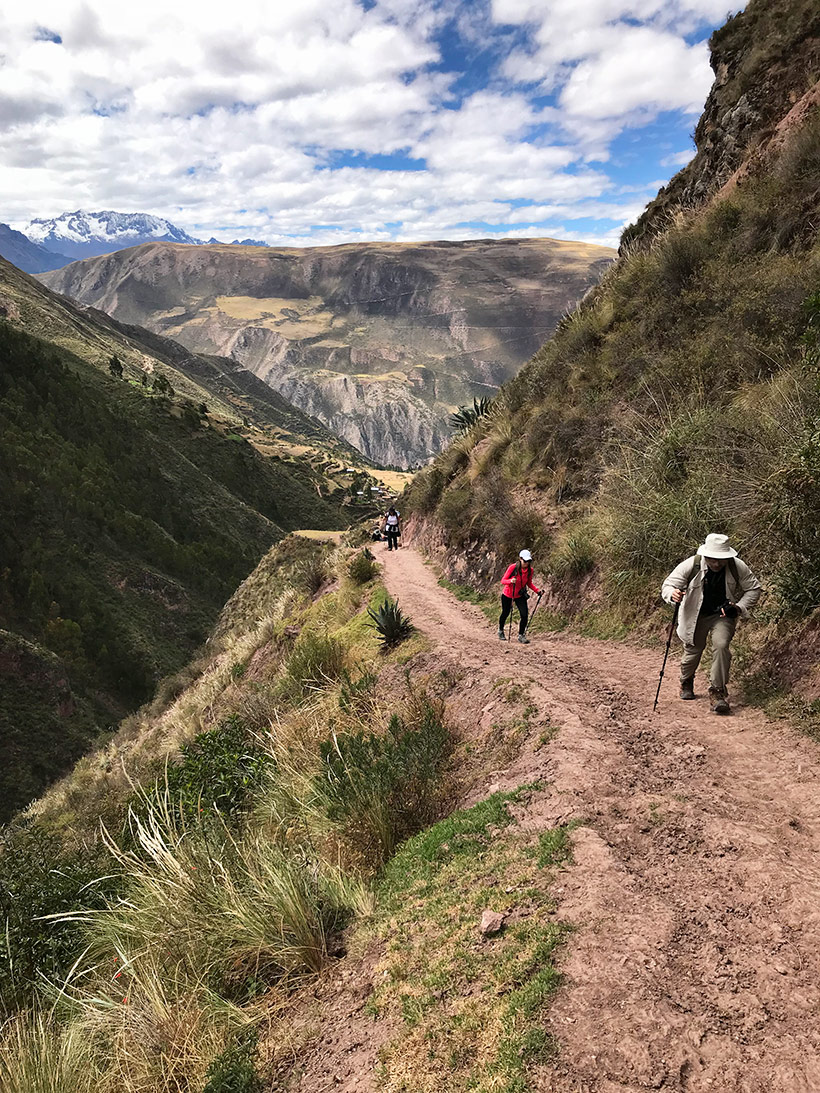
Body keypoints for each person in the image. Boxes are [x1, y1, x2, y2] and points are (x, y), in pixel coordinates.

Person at [661, 533, 762, 715]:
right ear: (705, 555)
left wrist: (738, 608)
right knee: (693, 650)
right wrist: (672, 594)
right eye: (713, 559)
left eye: (721, 560)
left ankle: (717, 692)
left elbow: (753, 588)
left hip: (722, 615)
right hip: (695, 615)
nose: (716, 564)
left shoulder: (736, 566)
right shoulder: (691, 565)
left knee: (722, 645)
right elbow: (668, 585)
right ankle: (686, 680)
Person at [499, 549, 542, 644]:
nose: (527, 563)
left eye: (529, 561)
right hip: (508, 594)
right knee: (505, 613)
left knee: (524, 614)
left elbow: (529, 583)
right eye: (525, 561)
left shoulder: (530, 570)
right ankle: (501, 630)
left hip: (520, 595)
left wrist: (537, 591)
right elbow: (503, 580)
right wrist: (510, 581)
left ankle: (521, 635)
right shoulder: (513, 568)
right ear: (520, 559)